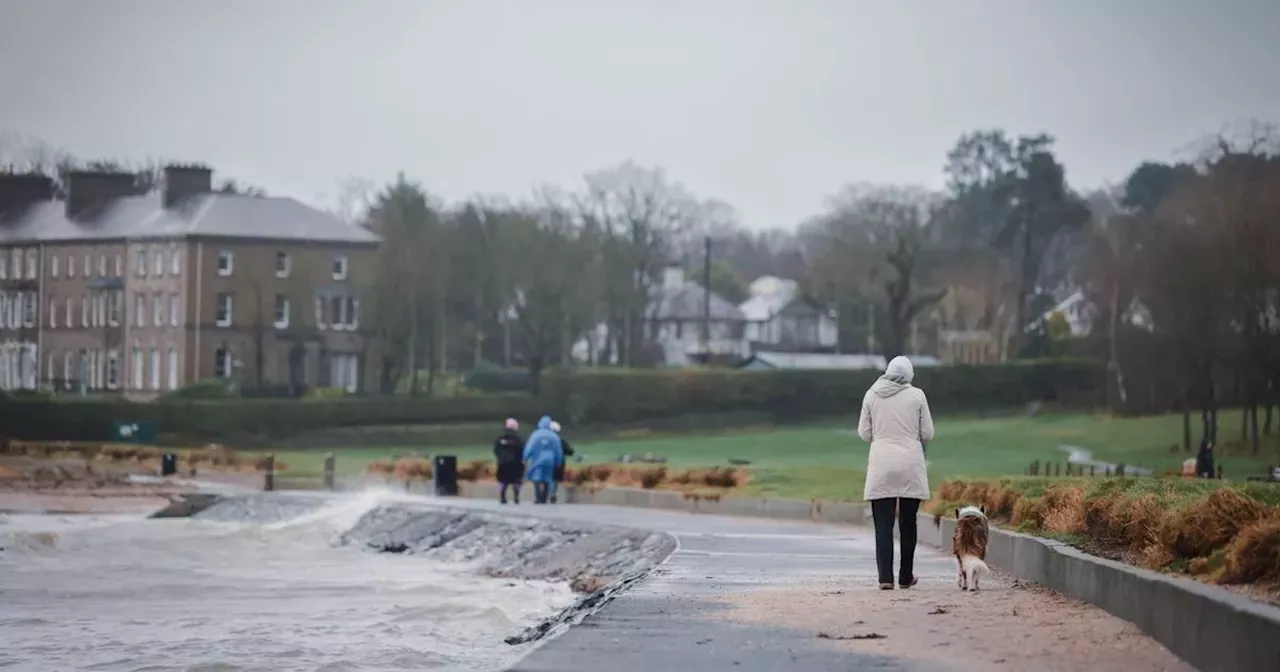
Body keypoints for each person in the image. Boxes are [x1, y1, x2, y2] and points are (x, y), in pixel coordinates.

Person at [858, 355, 934, 591]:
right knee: (908, 523)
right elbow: (927, 433)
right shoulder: (917, 395)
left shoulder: (871, 394)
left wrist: (882, 437)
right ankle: (905, 576)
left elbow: (864, 433)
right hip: (910, 463)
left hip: (881, 463)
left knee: (883, 524)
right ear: (909, 375)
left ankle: (885, 578)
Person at [523, 415, 564, 504]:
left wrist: (525, 457)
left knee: (537, 478)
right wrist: (559, 461)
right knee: (547, 478)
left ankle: (538, 497)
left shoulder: (535, 434)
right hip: (550, 460)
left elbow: (530, 447)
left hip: (537, 459)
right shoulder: (554, 436)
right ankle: (544, 497)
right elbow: (558, 450)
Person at [493, 418, 525, 504]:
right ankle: (516, 497)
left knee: (503, 480)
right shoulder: (518, 437)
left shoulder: (500, 437)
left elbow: (496, 449)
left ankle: (503, 497)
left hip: (503, 462)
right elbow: (521, 449)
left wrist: (500, 457)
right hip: (515, 462)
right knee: (516, 480)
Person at [548, 421, 576, 504]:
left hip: (547, 462)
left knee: (548, 478)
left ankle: (548, 493)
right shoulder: (560, 440)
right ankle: (552, 493)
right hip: (558, 462)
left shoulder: (545, 439)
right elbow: (570, 451)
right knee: (555, 479)